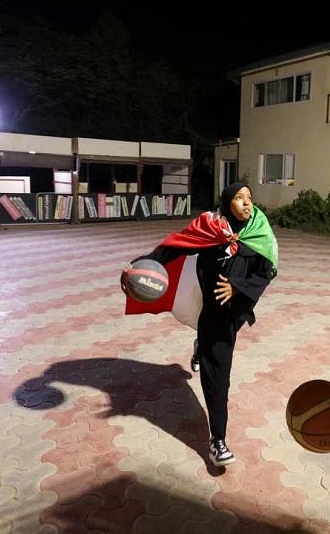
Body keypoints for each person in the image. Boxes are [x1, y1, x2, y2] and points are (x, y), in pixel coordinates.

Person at [123, 182, 277, 467]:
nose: (246, 203)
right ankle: (218, 440)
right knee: (219, 375)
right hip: (213, 314)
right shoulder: (209, 224)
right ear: (227, 201)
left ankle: (200, 345)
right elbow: (173, 247)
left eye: (249, 198)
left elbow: (266, 270)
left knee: (217, 352)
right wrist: (139, 266)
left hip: (237, 310)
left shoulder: (260, 228)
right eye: (239, 198)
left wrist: (238, 288)